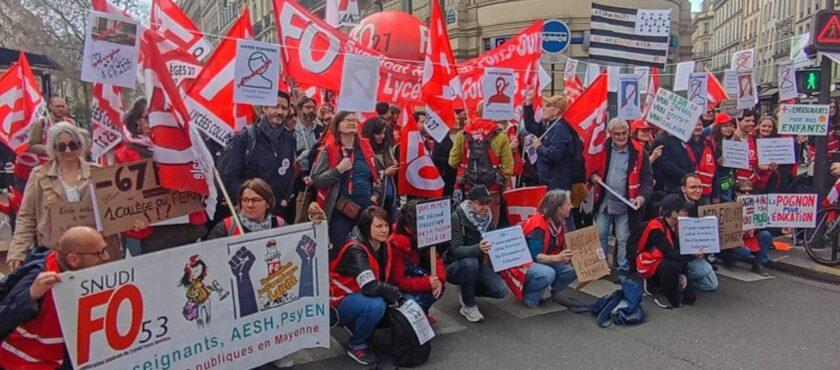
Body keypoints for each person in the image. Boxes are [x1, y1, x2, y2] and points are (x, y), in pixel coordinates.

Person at [6, 122, 122, 270]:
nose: (68, 150)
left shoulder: (100, 173)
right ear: (52, 148)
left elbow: (117, 211)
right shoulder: (39, 176)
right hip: (56, 257)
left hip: (97, 256)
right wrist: (17, 252)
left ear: (81, 145)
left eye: (73, 145)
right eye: (61, 146)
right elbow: (27, 217)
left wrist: (135, 221)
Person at [0, 226, 110, 369]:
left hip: (62, 359)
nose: (106, 257)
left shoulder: (83, 273)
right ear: (73, 259)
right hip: (25, 363)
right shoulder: (37, 278)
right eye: (100, 253)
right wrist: (30, 295)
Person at [329, 206, 401, 366]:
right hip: (337, 302)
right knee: (376, 305)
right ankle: (357, 345)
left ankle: (359, 326)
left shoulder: (382, 244)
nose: (384, 230)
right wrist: (394, 293)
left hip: (357, 295)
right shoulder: (356, 249)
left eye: (386, 225)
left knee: (391, 299)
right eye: (378, 226)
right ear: (366, 228)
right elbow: (369, 286)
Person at [309, 111, 380, 255]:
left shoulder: (366, 147)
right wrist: (338, 170)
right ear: (337, 126)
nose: (352, 122)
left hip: (366, 210)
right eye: (347, 120)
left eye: (354, 120)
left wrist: (375, 195)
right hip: (340, 212)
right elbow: (316, 181)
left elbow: (377, 175)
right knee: (339, 252)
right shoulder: (328, 149)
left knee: (367, 251)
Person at [219, 90, 297, 217]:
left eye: (284, 108)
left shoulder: (289, 137)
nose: (279, 112)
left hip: (277, 211)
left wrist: (285, 199)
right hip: (250, 211)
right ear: (264, 108)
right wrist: (244, 202)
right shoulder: (248, 135)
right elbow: (231, 175)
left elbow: (290, 171)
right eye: (275, 106)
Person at [590, 118, 653, 275]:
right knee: (600, 234)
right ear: (610, 134)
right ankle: (601, 266)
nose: (621, 137)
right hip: (605, 201)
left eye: (624, 133)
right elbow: (591, 167)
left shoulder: (639, 152)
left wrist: (642, 197)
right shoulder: (603, 148)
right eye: (616, 134)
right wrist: (592, 176)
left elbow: (647, 179)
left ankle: (623, 268)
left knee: (623, 238)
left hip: (627, 203)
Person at [444, 185, 508, 322]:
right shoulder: (457, 217)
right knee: (470, 262)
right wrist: (478, 248)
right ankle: (469, 305)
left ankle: (467, 289)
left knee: (500, 290)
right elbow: (456, 249)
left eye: (487, 203)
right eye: (481, 204)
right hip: (455, 265)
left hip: (478, 264)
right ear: (470, 202)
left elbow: (494, 242)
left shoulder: (489, 218)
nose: (485, 207)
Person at [448, 105, 514, 227]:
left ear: (477, 113)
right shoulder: (500, 135)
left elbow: (452, 162)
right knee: (491, 226)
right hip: (492, 189)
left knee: (470, 225)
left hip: (469, 187)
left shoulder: (463, 134)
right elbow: (508, 167)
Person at [636, 194, 697, 309]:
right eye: (683, 211)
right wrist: (692, 255)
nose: (686, 214)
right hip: (650, 261)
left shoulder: (678, 225)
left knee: (690, 298)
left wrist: (684, 273)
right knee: (671, 265)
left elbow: (680, 251)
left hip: (667, 261)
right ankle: (655, 287)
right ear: (674, 214)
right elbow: (669, 253)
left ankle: (671, 285)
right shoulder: (656, 227)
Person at [387, 201, 446, 320]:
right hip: (399, 289)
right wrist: (427, 282)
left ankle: (423, 312)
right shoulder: (397, 243)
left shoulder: (424, 237)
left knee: (439, 287)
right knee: (413, 303)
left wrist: (439, 279)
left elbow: (436, 259)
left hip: (418, 277)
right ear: (408, 228)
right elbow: (398, 282)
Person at [522, 190, 579, 304]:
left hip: (548, 258)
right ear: (558, 209)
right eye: (568, 204)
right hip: (525, 263)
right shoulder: (538, 225)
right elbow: (535, 256)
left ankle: (547, 291)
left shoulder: (561, 221)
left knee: (577, 268)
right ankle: (530, 297)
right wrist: (558, 258)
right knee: (547, 273)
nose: (571, 206)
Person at [207, 178, 286, 239]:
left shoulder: (280, 225)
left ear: (268, 203)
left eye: (255, 200)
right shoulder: (226, 227)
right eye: (245, 200)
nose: (250, 205)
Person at [722, 180, 771, 276]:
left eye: (750, 191)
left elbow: (762, 223)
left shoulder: (757, 206)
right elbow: (725, 233)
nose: (747, 194)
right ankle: (727, 258)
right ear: (736, 193)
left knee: (766, 235)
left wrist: (755, 229)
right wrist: (741, 233)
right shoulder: (729, 208)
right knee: (745, 251)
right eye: (743, 192)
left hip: (750, 239)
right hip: (733, 243)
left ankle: (758, 264)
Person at [530, 95, 576, 191]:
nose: (543, 109)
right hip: (551, 182)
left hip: (556, 185)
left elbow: (555, 154)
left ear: (555, 111)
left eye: (547, 106)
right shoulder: (552, 126)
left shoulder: (559, 128)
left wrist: (539, 147)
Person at [362, 119, 399, 222]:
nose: (382, 137)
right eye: (378, 134)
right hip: (376, 197)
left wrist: (394, 164)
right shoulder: (365, 151)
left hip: (390, 196)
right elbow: (366, 174)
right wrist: (384, 173)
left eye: (383, 133)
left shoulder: (386, 148)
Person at [651, 121, 703, 193]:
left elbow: (686, 157)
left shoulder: (678, 138)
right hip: (669, 186)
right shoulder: (661, 140)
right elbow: (665, 164)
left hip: (683, 182)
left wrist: (691, 173)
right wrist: (685, 175)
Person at [701, 113, 737, 203]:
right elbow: (702, 133)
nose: (729, 128)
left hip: (729, 180)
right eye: (725, 126)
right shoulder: (710, 141)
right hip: (716, 181)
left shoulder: (732, 141)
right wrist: (716, 162)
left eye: (730, 126)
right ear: (718, 127)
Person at [431, 110, 461, 197]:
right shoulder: (440, 138)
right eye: (453, 119)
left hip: (462, 178)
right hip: (447, 177)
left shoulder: (465, 136)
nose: (457, 121)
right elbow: (436, 159)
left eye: (458, 118)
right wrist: (452, 161)